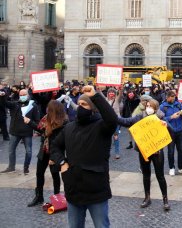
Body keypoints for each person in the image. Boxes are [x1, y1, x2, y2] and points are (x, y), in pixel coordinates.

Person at [51, 86, 118, 228]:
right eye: (79, 104)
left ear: (93, 108)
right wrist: (62, 162)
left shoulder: (102, 126)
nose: (80, 107)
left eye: (84, 104)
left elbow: (112, 119)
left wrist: (95, 96)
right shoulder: (69, 127)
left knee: (102, 225)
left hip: (96, 190)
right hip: (73, 188)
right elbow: (55, 147)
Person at [117, 99, 170, 210]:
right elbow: (126, 121)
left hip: (157, 151)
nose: (148, 108)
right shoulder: (140, 116)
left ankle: (165, 199)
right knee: (146, 175)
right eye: (147, 106)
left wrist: (166, 125)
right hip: (144, 150)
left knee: (160, 176)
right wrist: (113, 117)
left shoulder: (161, 116)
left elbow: (170, 129)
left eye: (150, 106)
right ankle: (147, 197)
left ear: (155, 108)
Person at [27, 100, 67, 207]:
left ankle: (57, 198)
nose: (47, 110)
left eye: (49, 108)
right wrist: (30, 122)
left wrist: (53, 158)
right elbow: (41, 130)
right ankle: (39, 196)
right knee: (39, 173)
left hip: (55, 153)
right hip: (44, 150)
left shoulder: (63, 122)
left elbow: (58, 141)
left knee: (55, 175)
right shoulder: (46, 118)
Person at [0, 88, 40, 174]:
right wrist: (3, 97)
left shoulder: (33, 105)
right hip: (15, 132)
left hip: (27, 132)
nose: (22, 97)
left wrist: (31, 123)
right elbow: (5, 104)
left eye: (24, 95)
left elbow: (37, 121)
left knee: (28, 151)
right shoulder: (15, 104)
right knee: (11, 150)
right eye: (21, 95)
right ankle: (11, 167)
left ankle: (26, 167)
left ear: (28, 95)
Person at [160, 91, 182, 176]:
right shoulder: (163, 106)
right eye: (171, 97)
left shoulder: (178, 104)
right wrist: (171, 117)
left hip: (180, 130)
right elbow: (160, 119)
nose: (173, 99)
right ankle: (171, 168)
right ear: (167, 97)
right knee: (171, 151)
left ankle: (181, 167)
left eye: (174, 97)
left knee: (181, 150)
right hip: (170, 131)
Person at [105, 87, 123, 159]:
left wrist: (120, 89)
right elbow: (99, 94)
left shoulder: (117, 100)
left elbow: (120, 94)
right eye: (110, 92)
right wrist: (98, 89)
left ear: (115, 93)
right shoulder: (105, 100)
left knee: (116, 137)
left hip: (115, 121)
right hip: (107, 121)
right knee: (107, 137)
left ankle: (117, 153)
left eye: (113, 92)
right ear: (108, 93)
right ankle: (107, 152)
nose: (111, 93)